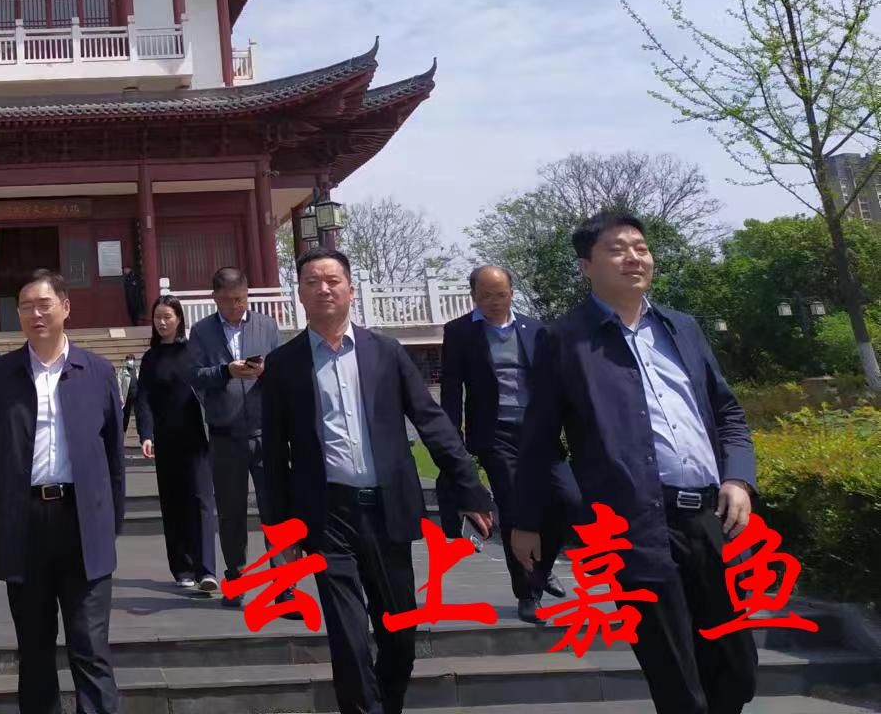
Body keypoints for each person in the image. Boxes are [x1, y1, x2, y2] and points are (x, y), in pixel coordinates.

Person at [513, 212, 759, 714]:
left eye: (640, 248)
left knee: (737, 670)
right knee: (677, 679)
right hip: (635, 525)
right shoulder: (564, 340)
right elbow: (539, 441)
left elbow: (727, 412)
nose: (634, 258)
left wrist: (738, 478)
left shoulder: (681, 327)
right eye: (617, 249)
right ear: (586, 266)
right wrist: (529, 520)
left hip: (710, 518)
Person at [261, 249, 492, 714]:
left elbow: (431, 421)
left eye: (332, 280)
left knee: (399, 634)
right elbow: (273, 454)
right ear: (299, 294)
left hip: (388, 511)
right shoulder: (284, 364)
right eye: (312, 281)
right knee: (347, 636)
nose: (323, 289)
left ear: (350, 289)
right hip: (327, 515)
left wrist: (469, 488)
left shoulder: (385, 352)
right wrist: (280, 531)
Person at [0, 271, 125, 714]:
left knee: (90, 645)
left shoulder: (97, 372)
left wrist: (110, 521)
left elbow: (114, 455)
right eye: (25, 306)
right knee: (34, 649)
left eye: (44, 304)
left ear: (65, 308)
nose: (35, 314)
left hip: (82, 522)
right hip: (25, 523)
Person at [440, 264, 578, 624]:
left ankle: (542, 568)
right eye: (485, 296)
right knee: (515, 509)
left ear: (512, 293)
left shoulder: (536, 330)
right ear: (473, 296)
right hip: (495, 434)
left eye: (500, 294)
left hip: (539, 432)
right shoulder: (460, 333)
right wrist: (453, 441)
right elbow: (452, 391)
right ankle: (528, 595)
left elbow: (556, 384)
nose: (494, 302)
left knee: (569, 499)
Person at [187, 266, 280, 587]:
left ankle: (285, 584)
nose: (235, 306)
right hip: (225, 435)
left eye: (240, 299)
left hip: (265, 432)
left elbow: (281, 371)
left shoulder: (266, 325)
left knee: (276, 510)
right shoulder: (202, 332)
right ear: (214, 298)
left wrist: (265, 371)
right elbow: (194, 375)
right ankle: (236, 577)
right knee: (231, 512)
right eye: (228, 300)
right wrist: (225, 371)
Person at [134, 294, 218, 595]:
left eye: (167, 316)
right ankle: (182, 568)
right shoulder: (151, 358)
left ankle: (206, 569)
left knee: (201, 500)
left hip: (195, 437)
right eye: (158, 317)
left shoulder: (194, 351)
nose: (162, 322)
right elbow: (143, 400)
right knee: (173, 504)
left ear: (179, 319)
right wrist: (146, 434)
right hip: (166, 439)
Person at [116, 354, 138, 438]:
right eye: (128, 359)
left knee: (139, 414)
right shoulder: (122, 371)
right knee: (126, 415)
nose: (130, 361)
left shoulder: (136, 370)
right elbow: (118, 384)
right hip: (127, 396)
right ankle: (123, 432)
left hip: (136, 395)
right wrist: (120, 396)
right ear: (126, 361)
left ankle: (142, 433)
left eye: (131, 359)